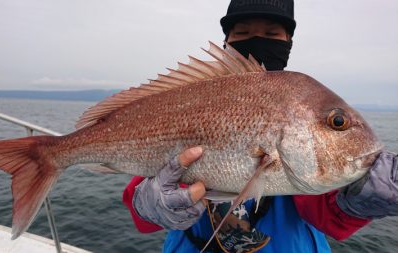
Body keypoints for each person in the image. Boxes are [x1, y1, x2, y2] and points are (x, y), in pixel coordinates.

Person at [122, 0, 398, 252]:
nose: (256, 41)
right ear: (226, 41)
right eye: (242, 33)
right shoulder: (195, 98)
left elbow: (328, 218)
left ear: (288, 41)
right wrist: (145, 206)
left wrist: (357, 201)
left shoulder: (301, 105)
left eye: (271, 34)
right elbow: (143, 218)